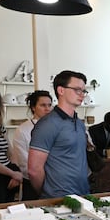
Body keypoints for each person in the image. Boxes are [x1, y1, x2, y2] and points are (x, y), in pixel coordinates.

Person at [28, 70, 90, 198]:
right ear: (61, 90)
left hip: (83, 194)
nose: (82, 95)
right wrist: (46, 193)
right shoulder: (47, 124)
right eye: (77, 90)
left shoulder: (79, 123)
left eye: (83, 91)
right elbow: (34, 170)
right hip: (58, 198)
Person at [11, 90, 53, 200]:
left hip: (55, 181)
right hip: (32, 182)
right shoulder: (23, 130)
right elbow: (24, 161)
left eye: (49, 105)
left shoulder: (55, 127)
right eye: (43, 105)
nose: (47, 109)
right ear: (33, 107)